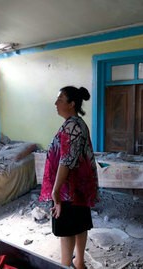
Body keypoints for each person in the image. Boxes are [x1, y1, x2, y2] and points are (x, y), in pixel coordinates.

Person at [39, 86, 98, 269]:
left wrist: (56, 191)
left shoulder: (72, 126)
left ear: (72, 104)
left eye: (60, 100)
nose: (56, 103)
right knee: (79, 225)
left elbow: (66, 160)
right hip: (78, 188)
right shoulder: (78, 123)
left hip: (68, 190)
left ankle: (65, 265)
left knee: (66, 230)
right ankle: (79, 262)